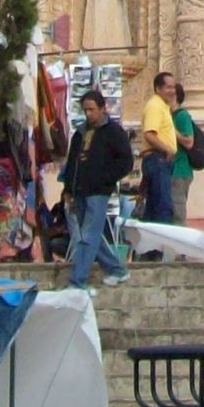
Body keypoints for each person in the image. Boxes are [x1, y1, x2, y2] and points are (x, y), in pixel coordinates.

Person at [63, 87, 133, 290]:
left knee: (87, 235)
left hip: (98, 191)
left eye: (92, 109)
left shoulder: (113, 132)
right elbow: (72, 163)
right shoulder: (80, 133)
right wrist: (68, 189)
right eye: (85, 110)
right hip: (80, 190)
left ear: (102, 109)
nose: (88, 114)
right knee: (92, 235)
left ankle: (78, 280)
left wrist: (107, 179)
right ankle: (117, 269)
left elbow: (125, 161)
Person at [138, 71, 181, 235]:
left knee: (154, 206)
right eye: (168, 87)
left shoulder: (162, 106)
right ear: (158, 88)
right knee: (163, 206)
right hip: (158, 159)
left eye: (173, 87)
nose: (172, 91)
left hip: (160, 160)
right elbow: (149, 133)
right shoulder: (155, 106)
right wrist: (167, 149)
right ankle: (161, 247)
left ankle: (151, 251)